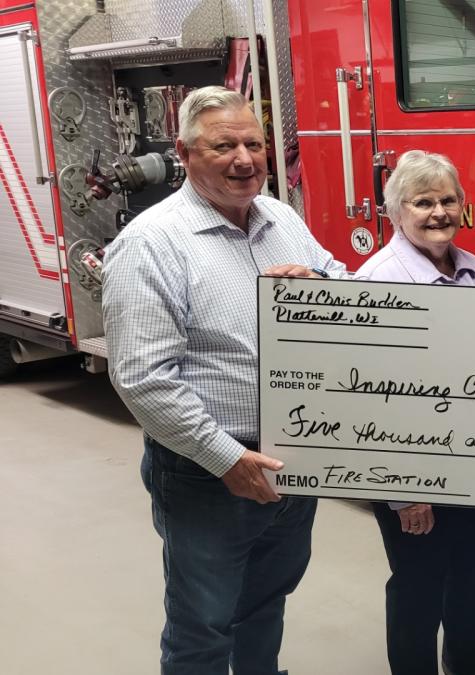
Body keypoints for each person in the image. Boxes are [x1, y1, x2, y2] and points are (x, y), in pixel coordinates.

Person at [103, 86, 346, 674]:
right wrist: (228, 459)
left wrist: (319, 282)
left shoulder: (281, 218)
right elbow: (143, 379)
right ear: (184, 154)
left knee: (266, 601)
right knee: (204, 625)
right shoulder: (151, 243)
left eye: (254, 143)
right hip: (209, 473)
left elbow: (342, 280)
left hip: (292, 455)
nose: (244, 158)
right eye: (223, 145)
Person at [355, 150, 475, 675]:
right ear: (397, 212)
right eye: (423, 202)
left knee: (470, 577)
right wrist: (404, 493)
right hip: (415, 474)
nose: (439, 211)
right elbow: (371, 399)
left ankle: (467, 667)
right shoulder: (378, 282)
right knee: (419, 587)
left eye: (448, 199)